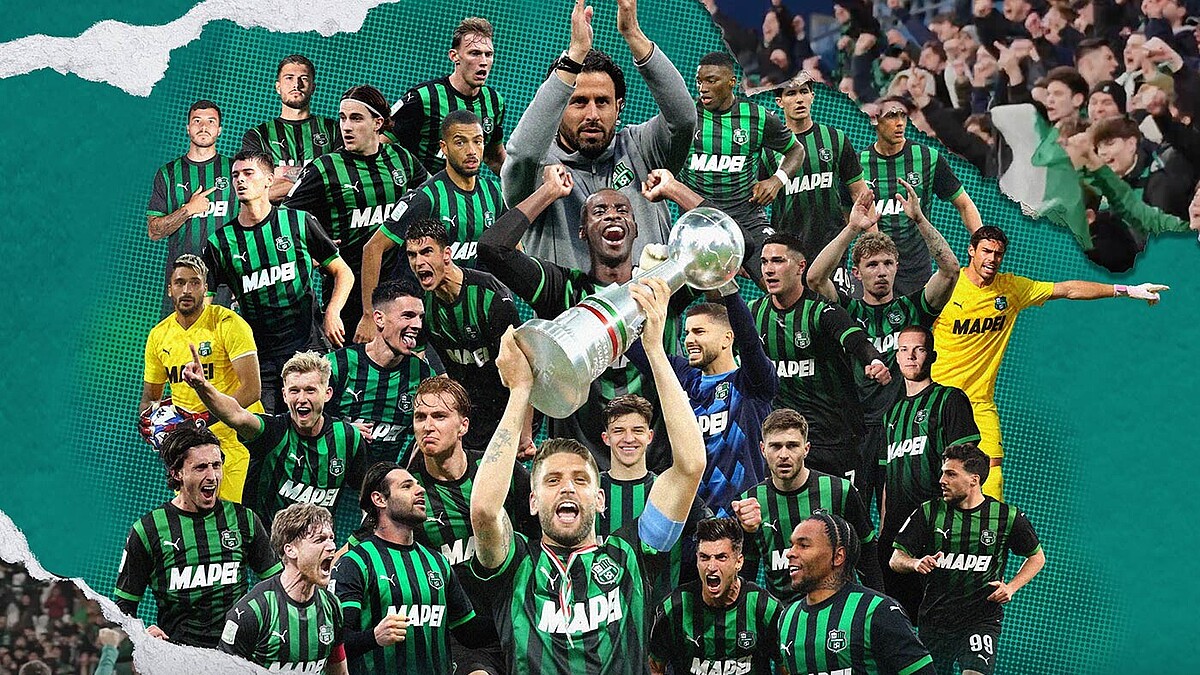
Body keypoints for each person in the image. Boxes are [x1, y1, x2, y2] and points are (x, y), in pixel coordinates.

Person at [469, 276, 706, 675]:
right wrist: (520, 391)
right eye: (552, 480)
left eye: (581, 480)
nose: (567, 487)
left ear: (599, 499)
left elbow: (690, 466)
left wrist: (654, 351)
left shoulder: (631, 554)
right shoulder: (515, 564)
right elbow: (484, 509)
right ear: (532, 500)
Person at [478, 165, 694, 472]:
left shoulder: (662, 287)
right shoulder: (561, 289)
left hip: (657, 470)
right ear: (582, 232)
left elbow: (733, 242)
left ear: (635, 229)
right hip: (577, 472)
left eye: (623, 210)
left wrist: (674, 189)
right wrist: (548, 192)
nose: (612, 216)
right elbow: (493, 248)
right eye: (599, 211)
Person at [932, 224, 1168, 498]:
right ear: (971, 251)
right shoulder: (947, 287)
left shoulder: (1011, 289)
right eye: (986, 251)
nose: (992, 259)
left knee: (991, 472)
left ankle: (989, 526)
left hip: (978, 402)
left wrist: (1129, 290)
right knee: (929, 474)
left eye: (998, 254)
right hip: (938, 399)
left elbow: (1068, 290)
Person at [501, 0, 696, 270]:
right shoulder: (539, 175)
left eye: (602, 102)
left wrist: (633, 34)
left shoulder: (643, 149)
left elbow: (684, 119)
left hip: (651, 298)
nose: (592, 114)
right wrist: (574, 57)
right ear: (559, 107)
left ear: (618, 107)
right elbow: (523, 154)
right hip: (571, 299)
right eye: (579, 102)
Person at [807, 182, 958, 503]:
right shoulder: (845, 311)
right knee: (853, 513)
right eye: (872, 265)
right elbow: (815, 278)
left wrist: (919, 220)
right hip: (854, 429)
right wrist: (852, 228)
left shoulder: (913, 309)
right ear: (856, 273)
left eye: (888, 263)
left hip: (903, 427)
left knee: (903, 513)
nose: (881, 272)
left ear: (897, 267)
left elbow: (950, 270)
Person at [203, 149, 354, 414]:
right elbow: (205, 305)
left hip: (309, 347)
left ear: (269, 180)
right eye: (236, 175)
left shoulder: (298, 221)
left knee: (317, 422)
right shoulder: (220, 242)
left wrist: (332, 312)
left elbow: (343, 272)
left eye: (248, 173)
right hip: (260, 358)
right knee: (273, 430)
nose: (240, 180)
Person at [283, 85, 429, 340]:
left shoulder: (401, 159)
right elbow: (283, 220)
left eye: (356, 118)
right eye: (343, 118)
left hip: (399, 288)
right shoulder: (325, 168)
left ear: (378, 123)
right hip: (349, 297)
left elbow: (432, 200)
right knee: (356, 362)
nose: (346, 127)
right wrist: (310, 251)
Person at [114, 426, 280, 648]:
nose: (212, 476)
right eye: (201, 467)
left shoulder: (244, 520)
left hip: (236, 655)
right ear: (177, 473)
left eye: (216, 465)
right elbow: (123, 607)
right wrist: (141, 635)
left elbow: (279, 586)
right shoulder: (148, 529)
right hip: (179, 655)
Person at [891, 444, 1045, 675]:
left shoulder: (1005, 516)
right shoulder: (929, 511)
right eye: (943, 473)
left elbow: (1036, 557)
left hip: (980, 618)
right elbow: (896, 558)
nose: (942, 480)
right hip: (935, 620)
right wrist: (915, 563)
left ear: (974, 479)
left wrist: (1011, 587)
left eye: (951, 474)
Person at [750, 231, 890, 482]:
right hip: (785, 443)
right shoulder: (753, 313)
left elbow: (856, 339)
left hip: (834, 440)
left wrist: (874, 360)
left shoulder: (821, 311)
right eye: (764, 262)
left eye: (778, 261)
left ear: (800, 267)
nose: (769, 270)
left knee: (842, 507)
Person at [183, 348, 367, 528]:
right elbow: (236, 414)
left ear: (327, 394)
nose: (301, 398)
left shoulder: (348, 438)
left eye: (310, 390)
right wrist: (203, 387)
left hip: (316, 544)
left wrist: (358, 539)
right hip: (265, 544)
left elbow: (369, 493)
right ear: (284, 395)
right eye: (294, 391)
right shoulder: (273, 432)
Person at [361, 109, 505, 338]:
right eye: (460, 142)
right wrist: (369, 315)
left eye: (477, 141)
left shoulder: (494, 193)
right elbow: (373, 248)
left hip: (466, 315)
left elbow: (511, 251)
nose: (471, 151)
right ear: (443, 148)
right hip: (419, 319)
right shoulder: (426, 197)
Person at [332, 461, 478, 674]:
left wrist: (512, 615)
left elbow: (468, 632)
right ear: (379, 499)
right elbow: (335, 643)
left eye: (418, 484)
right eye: (407, 486)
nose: (420, 490)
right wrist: (374, 637)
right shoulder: (355, 562)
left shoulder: (437, 562)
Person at [140, 254, 263, 502]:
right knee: (193, 516)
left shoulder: (228, 323)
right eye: (180, 283)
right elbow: (150, 398)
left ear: (205, 288)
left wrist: (202, 421)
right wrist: (150, 423)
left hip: (236, 443)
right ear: (169, 289)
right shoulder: (158, 335)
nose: (187, 290)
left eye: (194, 283)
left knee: (230, 516)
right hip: (190, 451)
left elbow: (252, 389)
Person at [729, 409, 882, 604]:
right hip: (782, 614)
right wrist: (747, 532)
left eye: (792, 446)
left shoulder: (839, 491)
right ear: (763, 449)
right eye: (775, 446)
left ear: (806, 449)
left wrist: (878, 606)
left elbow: (868, 556)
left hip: (836, 610)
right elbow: (745, 572)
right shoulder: (751, 502)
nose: (784, 455)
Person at [879, 325, 980, 619]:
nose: (911, 356)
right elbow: (887, 479)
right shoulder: (891, 415)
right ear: (896, 357)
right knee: (899, 621)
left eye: (919, 349)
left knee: (940, 623)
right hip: (898, 537)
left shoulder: (950, 400)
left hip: (937, 533)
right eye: (904, 350)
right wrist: (885, 531)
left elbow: (966, 467)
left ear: (932, 355)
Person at [677, 51, 804, 283]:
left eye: (711, 81)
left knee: (781, 281)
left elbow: (796, 150)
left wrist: (777, 180)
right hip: (700, 223)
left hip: (747, 216)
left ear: (732, 82)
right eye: (699, 81)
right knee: (709, 290)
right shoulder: (685, 117)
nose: (703, 88)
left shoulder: (757, 117)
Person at [399, 220, 517, 450]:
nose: (418, 262)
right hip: (467, 414)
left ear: (446, 254)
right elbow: (419, 356)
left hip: (506, 407)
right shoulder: (422, 304)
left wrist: (524, 429)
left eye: (426, 252)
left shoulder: (488, 295)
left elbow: (522, 367)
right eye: (412, 255)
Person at [777, 513, 934, 675]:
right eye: (792, 545)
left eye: (803, 545)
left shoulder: (877, 611)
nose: (790, 553)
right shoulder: (787, 617)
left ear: (838, 556)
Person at [861, 96, 982, 295]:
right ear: (875, 119)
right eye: (891, 116)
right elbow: (847, 213)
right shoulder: (860, 164)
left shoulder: (928, 158)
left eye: (903, 116)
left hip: (917, 270)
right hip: (877, 270)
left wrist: (981, 244)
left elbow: (965, 204)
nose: (899, 123)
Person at [597, 394, 712, 601]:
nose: (629, 438)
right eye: (619, 431)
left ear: (650, 436)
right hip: (600, 614)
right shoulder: (588, 490)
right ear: (606, 438)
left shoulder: (671, 490)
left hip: (660, 615)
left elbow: (714, 534)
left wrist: (745, 527)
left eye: (637, 430)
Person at [765, 75, 869, 294]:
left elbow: (860, 194)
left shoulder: (835, 139)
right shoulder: (768, 150)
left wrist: (874, 243)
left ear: (812, 96)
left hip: (832, 247)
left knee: (835, 308)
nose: (799, 99)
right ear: (779, 101)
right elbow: (753, 201)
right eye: (791, 93)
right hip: (789, 253)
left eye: (804, 92)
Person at [219, 503, 347, 674]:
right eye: (320, 540)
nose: (332, 546)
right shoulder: (252, 611)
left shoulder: (332, 605)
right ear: (290, 550)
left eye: (332, 538)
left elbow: (339, 671)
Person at [647, 517, 782, 675]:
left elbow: (786, 666)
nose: (711, 567)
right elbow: (655, 668)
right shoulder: (675, 607)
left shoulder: (764, 607)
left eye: (721, 557)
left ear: (738, 562)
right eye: (704, 557)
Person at [325, 280, 433, 467]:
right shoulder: (337, 365)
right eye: (408, 316)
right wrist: (340, 431)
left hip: (388, 479)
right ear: (379, 319)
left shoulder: (423, 375)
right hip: (334, 473)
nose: (417, 325)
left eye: (420, 317)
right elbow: (302, 420)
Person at [147, 100, 239, 310]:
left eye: (211, 121)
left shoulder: (235, 170)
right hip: (181, 281)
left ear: (219, 129)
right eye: (197, 121)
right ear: (188, 128)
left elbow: (253, 223)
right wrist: (188, 209)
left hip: (225, 282)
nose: (204, 127)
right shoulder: (168, 173)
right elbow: (154, 232)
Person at [389, 17, 506, 175]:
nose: (483, 61)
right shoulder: (423, 97)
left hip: (466, 190)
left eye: (488, 54)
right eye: (475, 53)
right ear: (454, 56)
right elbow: (380, 145)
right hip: (422, 188)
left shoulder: (494, 101)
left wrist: (526, 186)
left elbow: (494, 157)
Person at [241, 54, 342, 203]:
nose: (296, 85)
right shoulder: (258, 136)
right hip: (277, 218)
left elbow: (340, 180)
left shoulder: (333, 129)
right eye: (289, 78)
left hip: (323, 217)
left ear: (313, 88)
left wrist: (281, 173)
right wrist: (317, 177)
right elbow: (255, 193)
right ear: (278, 87)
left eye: (304, 78)